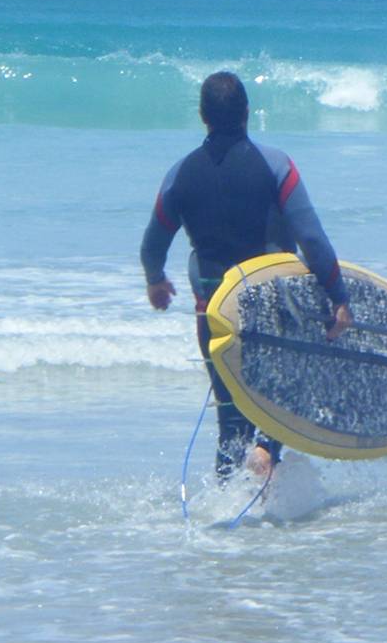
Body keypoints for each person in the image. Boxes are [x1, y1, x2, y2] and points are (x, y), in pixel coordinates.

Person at [142, 71, 351, 480]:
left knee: (230, 419)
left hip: (214, 312)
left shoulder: (179, 174)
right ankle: (266, 451)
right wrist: (338, 296)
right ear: (247, 113)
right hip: (271, 306)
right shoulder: (276, 166)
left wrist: (156, 281)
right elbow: (311, 238)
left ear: (202, 115)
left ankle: (223, 506)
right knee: (277, 405)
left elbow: (153, 244)